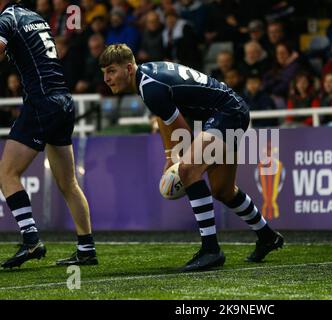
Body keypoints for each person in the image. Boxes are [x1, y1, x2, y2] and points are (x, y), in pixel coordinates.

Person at [100, 44, 284, 272]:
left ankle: (211, 250)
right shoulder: (146, 77)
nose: (106, 78)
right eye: (104, 73)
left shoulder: (149, 86)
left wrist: (181, 164)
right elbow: (164, 117)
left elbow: (183, 133)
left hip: (226, 114)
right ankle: (267, 236)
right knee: (222, 190)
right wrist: (170, 155)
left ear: (128, 68)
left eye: (111, 71)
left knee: (188, 170)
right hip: (226, 112)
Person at [0, 0, 97, 268]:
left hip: (41, 103)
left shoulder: (7, 18)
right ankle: (86, 248)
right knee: (68, 183)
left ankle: (31, 240)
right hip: (63, 101)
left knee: (6, 173)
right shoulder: (37, 17)